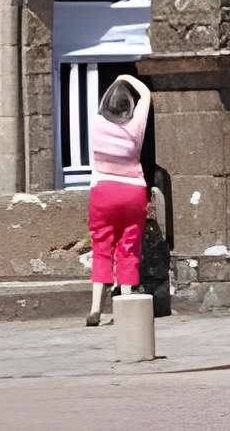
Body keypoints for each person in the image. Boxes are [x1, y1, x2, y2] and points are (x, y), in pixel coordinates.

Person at [86, 73, 152, 324]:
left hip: (103, 191)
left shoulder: (95, 123)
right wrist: (125, 76)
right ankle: (125, 304)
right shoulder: (135, 128)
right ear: (129, 107)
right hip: (133, 191)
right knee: (128, 247)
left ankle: (95, 309)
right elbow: (146, 93)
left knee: (101, 247)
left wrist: (113, 84)